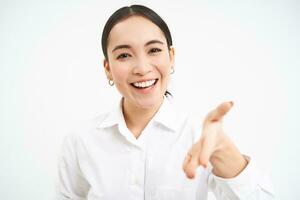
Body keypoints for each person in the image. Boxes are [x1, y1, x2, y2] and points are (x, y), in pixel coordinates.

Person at [56, 5, 275, 199]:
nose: (142, 68)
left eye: (154, 50)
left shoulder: (200, 137)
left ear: (171, 57)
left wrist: (224, 150)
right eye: (124, 55)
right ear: (108, 69)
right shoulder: (80, 141)